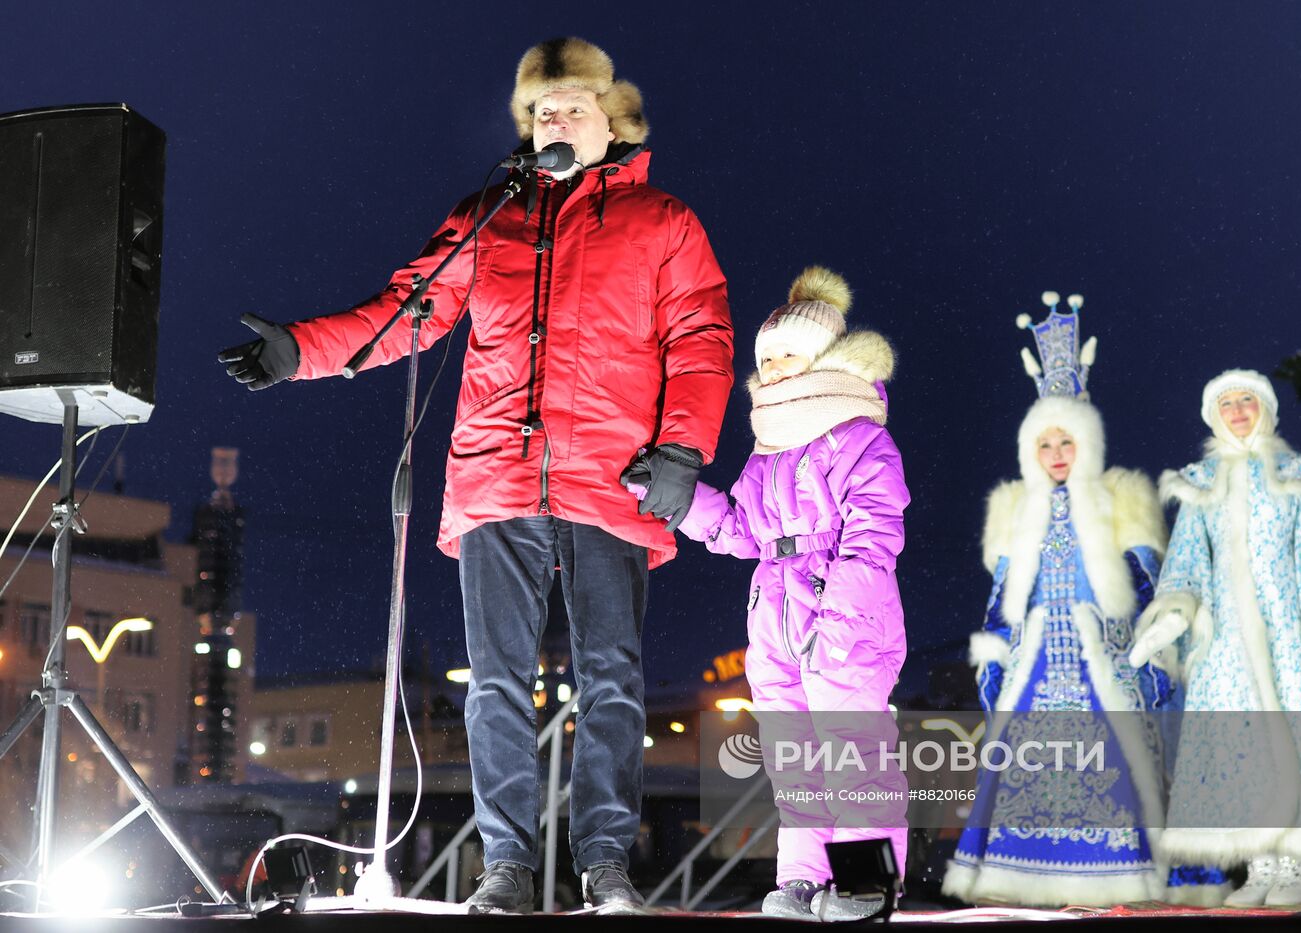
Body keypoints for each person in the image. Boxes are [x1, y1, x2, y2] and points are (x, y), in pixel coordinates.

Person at [218, 37, 733, 914]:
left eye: (570, 107)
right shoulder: (490, 216)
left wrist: (683, 450)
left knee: (611, 672)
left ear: (611, 118)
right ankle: (507, 864)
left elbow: (702, 338)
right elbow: (406, 311)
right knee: (495, 679)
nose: (552, 123)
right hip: (497, 476)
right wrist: (302, 350)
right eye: (539, 112)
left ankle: (606, 862)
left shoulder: (661, 221)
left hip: (612, 478)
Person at [628, 268, 908, 920]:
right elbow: (740, 530)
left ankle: (867, 881)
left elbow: (873, 537)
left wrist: (839, 614)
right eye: (767, 358)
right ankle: (805, 877)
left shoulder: (862, 437)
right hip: (776, 621)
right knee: (795, 761)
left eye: (790, 356)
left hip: (844, 617)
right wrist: (677, 500)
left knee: (852, 749)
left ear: (822, 361)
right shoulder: (768, 452)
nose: (776, 368)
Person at [1129, 369, 1301, 908]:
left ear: (1266, 409)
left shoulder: (1295, 477)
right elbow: (1186, 566)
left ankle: (1294, 869)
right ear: (1213, 416)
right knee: (1243, 749)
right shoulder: (1200, 484)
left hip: (1289, 641)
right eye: (1224, 403)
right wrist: (1171, 617)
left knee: (1295, 745)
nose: (1236, 411)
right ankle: (1260, 867)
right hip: (1227, 648)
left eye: (1245, 400)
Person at [942, 294, 1175, 907]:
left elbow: (1148, 587)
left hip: (1106, 654)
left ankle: (1117, 879)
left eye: (1066, 443)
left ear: (1088, 444)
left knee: (1115, 767)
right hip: (1037, 657)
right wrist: (996, 658)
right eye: (1044, 446)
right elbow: (1001, 598)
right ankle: (1032, 880)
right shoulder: (1014, 508)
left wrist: (1148, 652)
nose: (1056, 456)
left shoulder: (1123, 497)